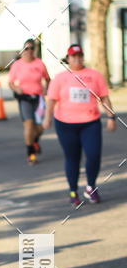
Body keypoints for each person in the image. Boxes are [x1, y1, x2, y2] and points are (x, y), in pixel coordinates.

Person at [43, 43, 116, 205]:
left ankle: (91, 187)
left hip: (90, 123)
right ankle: (73, 191)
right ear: (68, 58)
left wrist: (111, 117)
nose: (77, 59)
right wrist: (47, 118)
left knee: (93, 155)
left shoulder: (95, 75)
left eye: (80, 56)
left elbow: (104, 97)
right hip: (65, 124)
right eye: (73, 56)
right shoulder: (60, 78)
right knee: (72, 158)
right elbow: (52, 100)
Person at [8, 38, 50, 163]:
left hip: (38, 99)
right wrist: (16, 89)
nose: (29, 51)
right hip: (24, 98)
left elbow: (48, 79)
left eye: (32, 48)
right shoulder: (17, 65)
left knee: (40, 126)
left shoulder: (39, 63)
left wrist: (46, 89)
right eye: (27, 48)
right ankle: (31, 154)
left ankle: (35, 141)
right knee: (29, 124)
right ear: (23, 50)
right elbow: (10, 83)